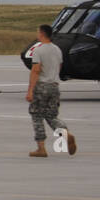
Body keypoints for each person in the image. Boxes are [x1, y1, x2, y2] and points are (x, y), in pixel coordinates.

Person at [28, 24, 75, 157]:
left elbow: (36, 70)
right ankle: (66, 134)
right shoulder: (57, 49)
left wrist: (30, 90)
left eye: (38, 32)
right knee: (51, 115)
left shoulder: (38, 50)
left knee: (36, 115)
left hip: (42, 86)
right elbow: (59, 66)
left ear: (42, 33)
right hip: (54, 86)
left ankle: (41, 148)